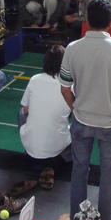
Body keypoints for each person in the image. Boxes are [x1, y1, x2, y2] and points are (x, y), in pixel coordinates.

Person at [59, 0, 111, 220]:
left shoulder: (73, 48)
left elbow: (65, 88)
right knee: (108, 173)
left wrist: (75, 107)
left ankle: (77, 218)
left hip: (82, 119)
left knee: (79, 170)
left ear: (87, 19)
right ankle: (106, 219)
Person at [19, 45, 71, 181]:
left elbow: (25, 108)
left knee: (21, 113)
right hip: (59, 146)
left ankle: (31, 145)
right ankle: (70, 157)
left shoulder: (35, 79)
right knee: (80, 122)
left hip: (32, 148)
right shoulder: (71, 84)